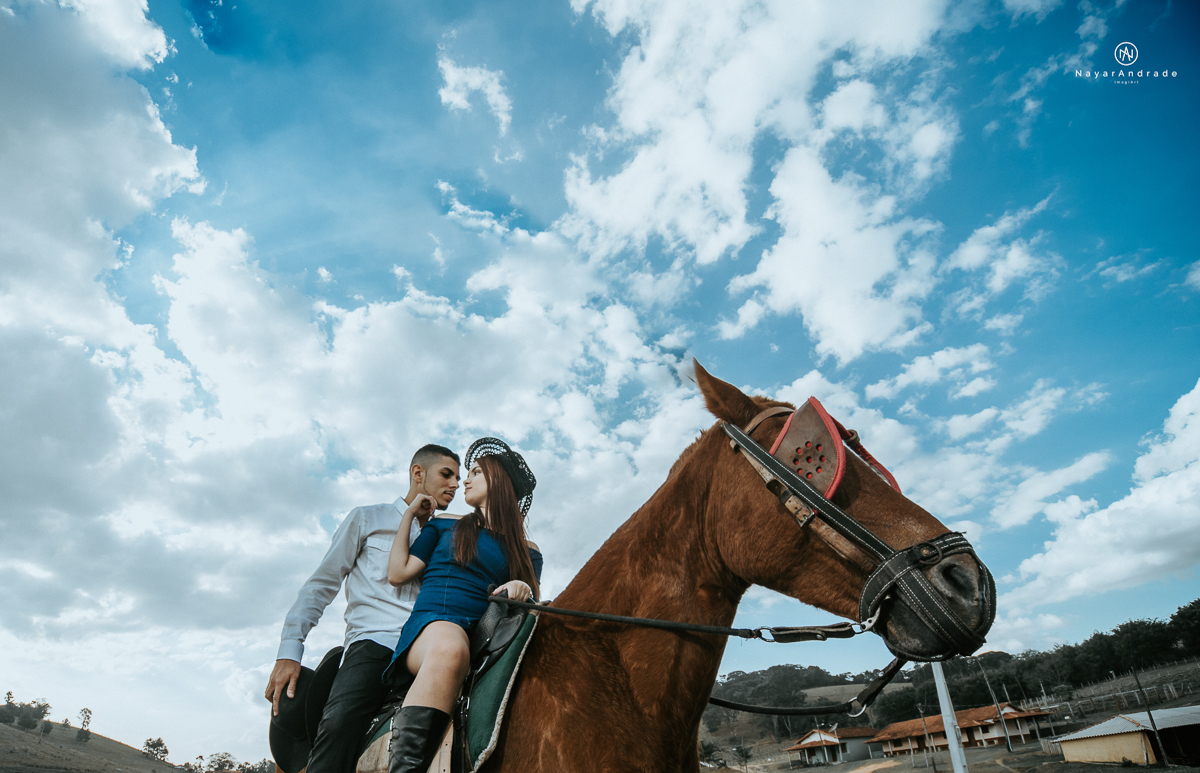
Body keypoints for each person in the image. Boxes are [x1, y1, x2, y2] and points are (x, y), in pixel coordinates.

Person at [264, 444, 461, 773]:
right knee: (339, 723)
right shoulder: (368, 517)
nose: (455, 484)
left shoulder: (447, 534)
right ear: (417, 473)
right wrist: (289, 650)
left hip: (431, 643)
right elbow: (322, 583)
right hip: (376, 642)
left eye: (459, 478)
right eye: (446, 474)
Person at [383, 437, 542, 773]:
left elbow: (532, 606)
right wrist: (409, 516)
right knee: (450, 649)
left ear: (499, 482)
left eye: (475, 473)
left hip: (486, 638)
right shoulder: (443, 524)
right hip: (434, 627)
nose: (464, 481)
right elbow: (398, 573)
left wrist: (521, 586)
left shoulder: (530, 550)